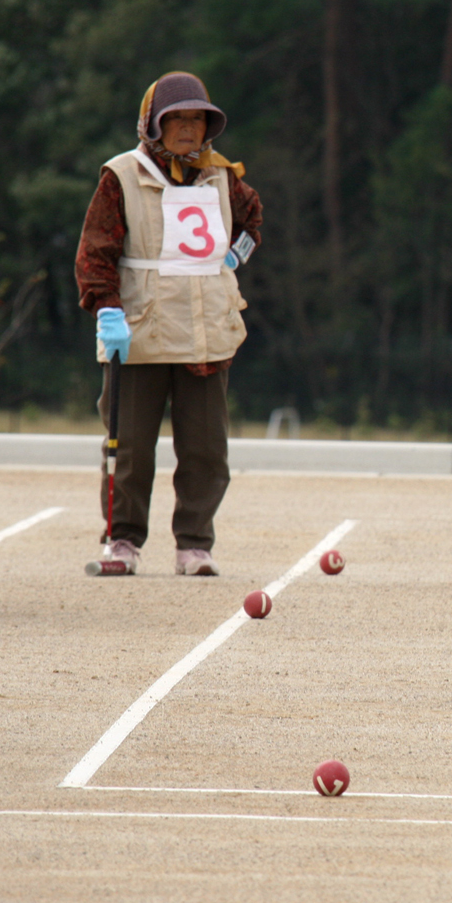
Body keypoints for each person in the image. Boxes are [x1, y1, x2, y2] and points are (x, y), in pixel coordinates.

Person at [74, 72, 263, 576]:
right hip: (139, 329)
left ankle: (195, 543)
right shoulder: (121, 175)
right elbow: (96, 250)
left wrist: (234, 260)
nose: (187, 128)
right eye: (175, 119)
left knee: (205, 449)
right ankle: (122, 541)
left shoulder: (223, 176)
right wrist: (106, 307)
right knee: (129, 447)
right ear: (152, 125)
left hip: (206, 331)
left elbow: (253, 221)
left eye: (197, 119)